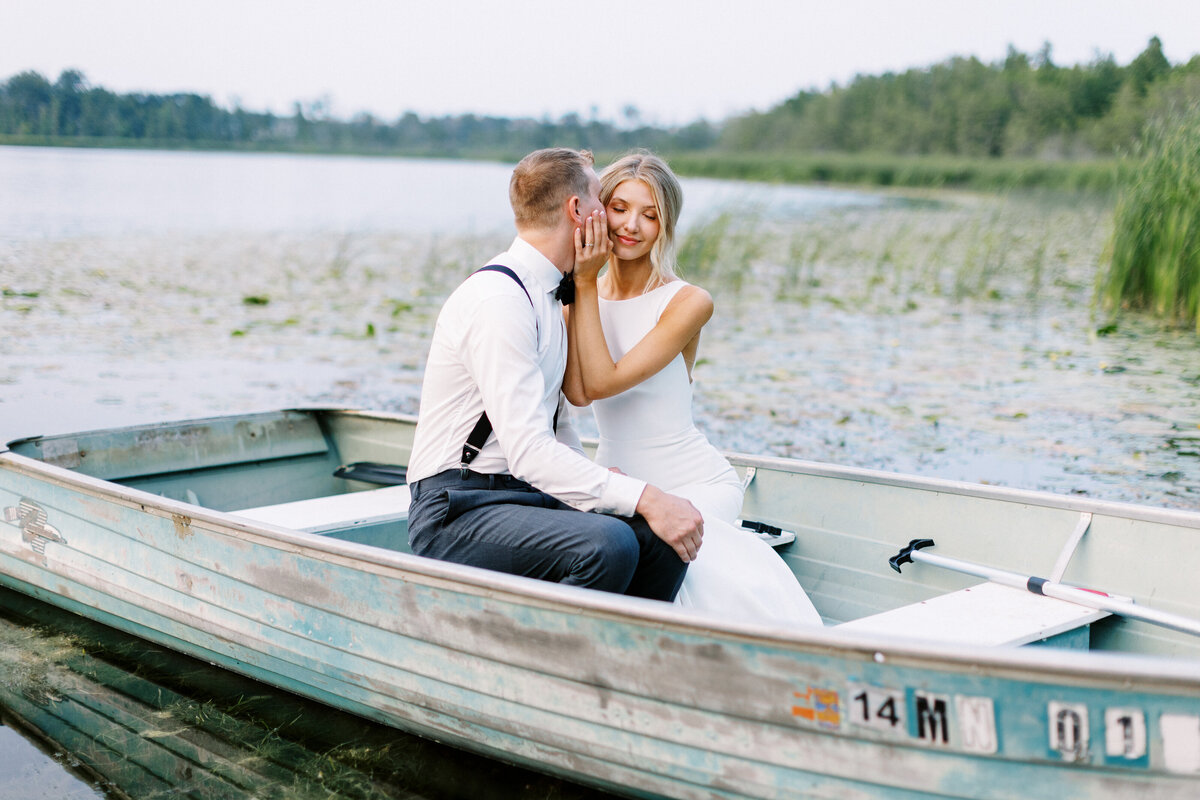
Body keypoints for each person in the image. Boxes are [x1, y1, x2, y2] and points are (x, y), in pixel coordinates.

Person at [405, 147, 704, 602]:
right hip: (459, 506)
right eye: (603, 202)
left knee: (659, 542)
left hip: (523, 495)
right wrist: (643, 495)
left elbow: (558, 425)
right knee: (608, 544)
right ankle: (552, 660)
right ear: (577, 209)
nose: (613, 217)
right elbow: (527, 450)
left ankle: (623, 660)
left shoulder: (552, 295)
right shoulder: (498, 300)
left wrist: (611, 487)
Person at [564, 151, 822, 626]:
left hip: (695, 481)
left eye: (651, 214)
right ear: (599, 210)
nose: (631, 226)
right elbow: (577, 395)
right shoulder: (578, 298)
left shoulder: (686, 302)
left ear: (667, 225)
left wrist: (582, 282)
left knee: (672, 550)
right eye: (619, 208)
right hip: (620, 479)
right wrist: (582, 287)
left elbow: (601, 383)